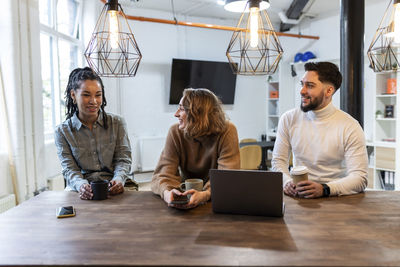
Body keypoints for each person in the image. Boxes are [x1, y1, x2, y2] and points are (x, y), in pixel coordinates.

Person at [272, 62, 368, 198]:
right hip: (298, 198)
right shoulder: (289, 119)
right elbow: (278, 162)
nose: (302, 91)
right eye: (302, 84)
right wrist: (286, 182)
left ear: (329, 91)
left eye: (310, 86)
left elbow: (360, 178)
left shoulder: (350, 126)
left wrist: (325, 189)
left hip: (335, 200)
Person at [151, 88, 240, 209]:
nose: (176, 114)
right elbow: (162, 175)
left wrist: (206, 194)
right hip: (186, 195)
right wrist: (167, 192)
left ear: (197, 113)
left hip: (217, 199)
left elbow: (227, 177)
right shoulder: (175, 132)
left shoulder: (228, 130)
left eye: (182, 109)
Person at [55, 67, 132, 200]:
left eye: (98, 94)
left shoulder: (117, 123)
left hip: (113, 185)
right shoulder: (62, 132)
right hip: (80, 188)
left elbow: (123, 159)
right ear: (73, 95)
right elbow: (70, 169)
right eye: (86, 95)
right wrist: (81, 186)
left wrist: (119, 179)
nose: (93, 101)